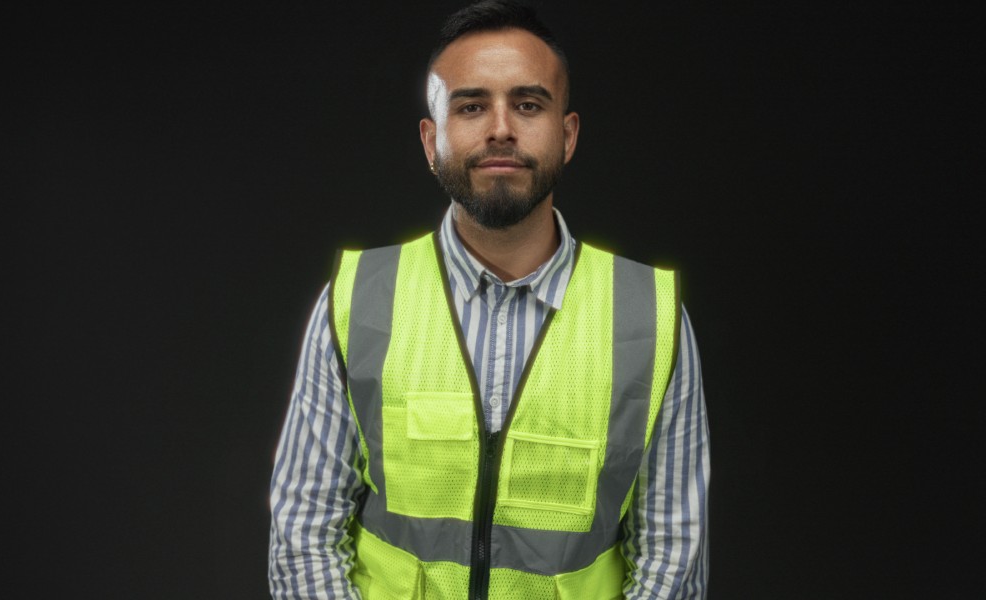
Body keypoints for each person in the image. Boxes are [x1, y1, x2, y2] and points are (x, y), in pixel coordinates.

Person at [268, 1, 709, 598]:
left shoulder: (649, 319)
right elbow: (304, 532)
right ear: (431, 140)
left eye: (528, 105)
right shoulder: (357, 302)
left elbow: (672, 557)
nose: (501, 128)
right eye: (471, 106)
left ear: (568, 135)